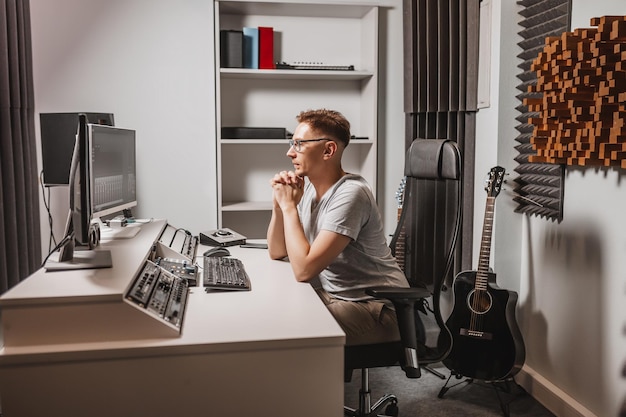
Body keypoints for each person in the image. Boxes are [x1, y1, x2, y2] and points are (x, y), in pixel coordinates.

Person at [267, 108, 409, 346]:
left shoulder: (351, 194)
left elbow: (304, 271)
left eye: (299, 144)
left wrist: (290, 207)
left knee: (284, 330)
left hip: (377, 309)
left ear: (328, 150)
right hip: (336, 297)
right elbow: (277, 251)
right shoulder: (310, 188)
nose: (290, 152)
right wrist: (279, 205)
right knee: (269, 308)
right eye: (292, 143)